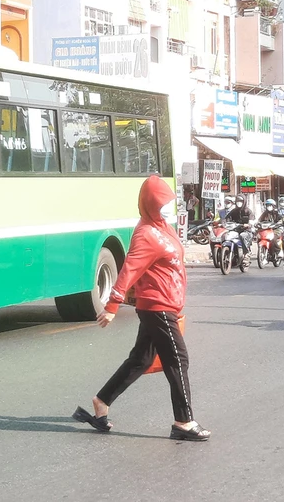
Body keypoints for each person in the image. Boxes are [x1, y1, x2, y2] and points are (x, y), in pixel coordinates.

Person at [75, 175, 210, 441]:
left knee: (141, 359)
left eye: (168, 204)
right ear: (150, 204)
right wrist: (113, 304)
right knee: (178, 360)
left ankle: (101, 402)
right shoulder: (146, 233)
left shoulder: (163, 228)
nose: (166, 209)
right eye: (161, 204)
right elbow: (129, 269)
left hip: (164, 303)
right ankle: (183, 422)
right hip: (158, 307)